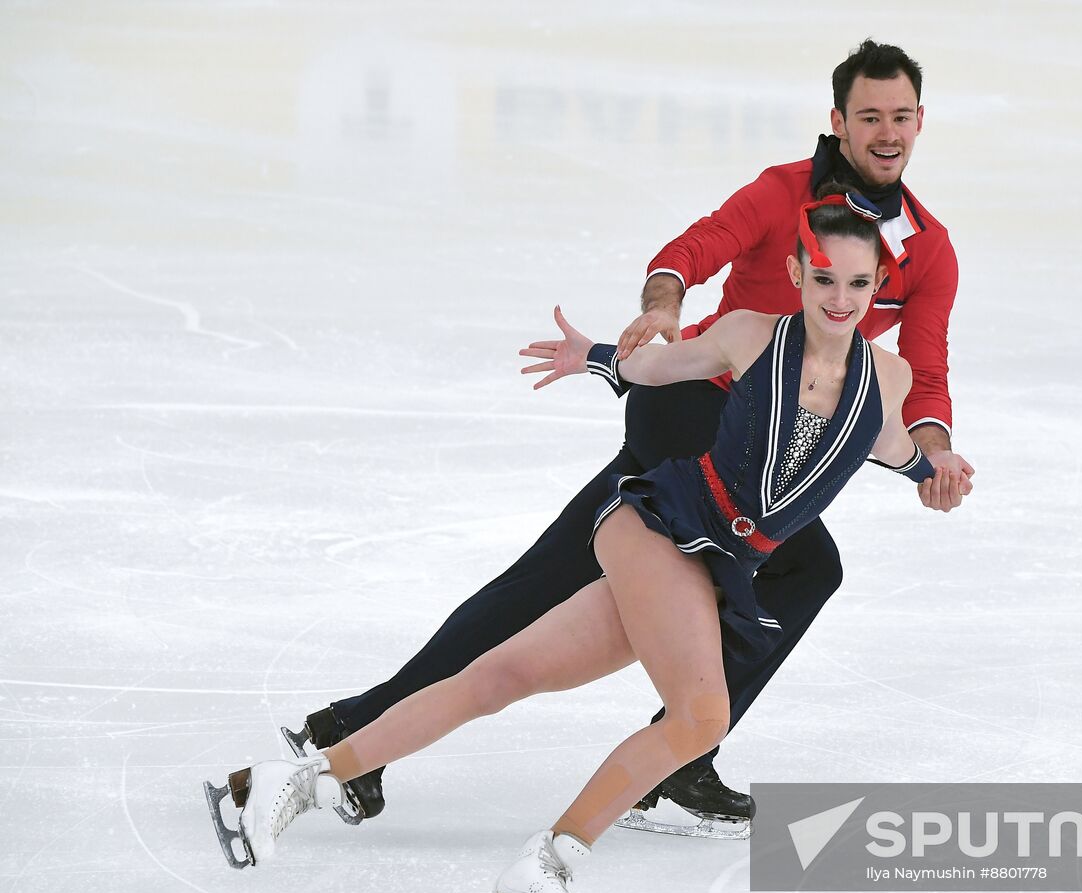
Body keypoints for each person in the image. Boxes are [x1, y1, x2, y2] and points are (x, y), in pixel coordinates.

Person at [204, 190, 969, 893]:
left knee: (501, 677)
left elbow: (893, 448)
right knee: (701, 715)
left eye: (860, 284)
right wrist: (593, 357)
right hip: (660, 527)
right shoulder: (752, 336)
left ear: (879, 288)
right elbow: (662, 366)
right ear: (799, 273)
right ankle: (548, 865)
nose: (841, 298)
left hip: (714, 566)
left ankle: (288, 782)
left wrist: (934, 470)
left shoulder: (888, 381)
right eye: (825, 278)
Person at [279, 38, 971, 837]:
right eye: (869, 116)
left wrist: (934, 447)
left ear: (920, 122)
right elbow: (687, 254)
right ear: (840, 123)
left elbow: (924, 371)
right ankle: (677, 750)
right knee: (804, 565)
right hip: (691, 411)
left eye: (901, 117)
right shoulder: (784, 194)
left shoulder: (928, 249)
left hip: (749, 447)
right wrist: (665, 307)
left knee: (554, 578)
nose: (887, 132)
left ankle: (351, 730)